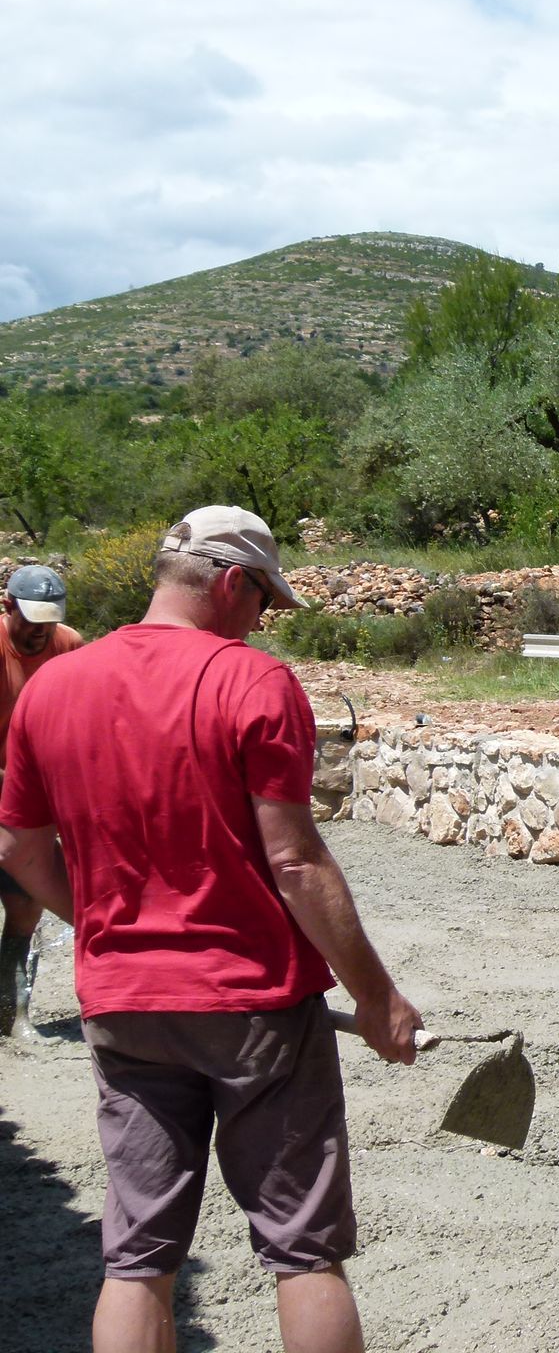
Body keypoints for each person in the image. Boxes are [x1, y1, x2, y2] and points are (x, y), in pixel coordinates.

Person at [0, 505, 421, 1353]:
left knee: (138, 1259)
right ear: (232, 583)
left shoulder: (52, 687)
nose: (264, 619)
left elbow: (16, 844)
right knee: (304, 1254)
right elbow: (297, 863)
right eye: (265, 598)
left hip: (124, 1008)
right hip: (254, 1005)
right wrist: (378, 999)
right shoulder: (254, 683)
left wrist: (105, 924)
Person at [0, 564, 83, 1036]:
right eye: (31, 620)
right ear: (8, 605)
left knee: (26, 901)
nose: (40, 632)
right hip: (9, 783)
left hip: (29, 793)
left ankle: (13, 1017)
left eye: (48, 621)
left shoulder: (67, 646)